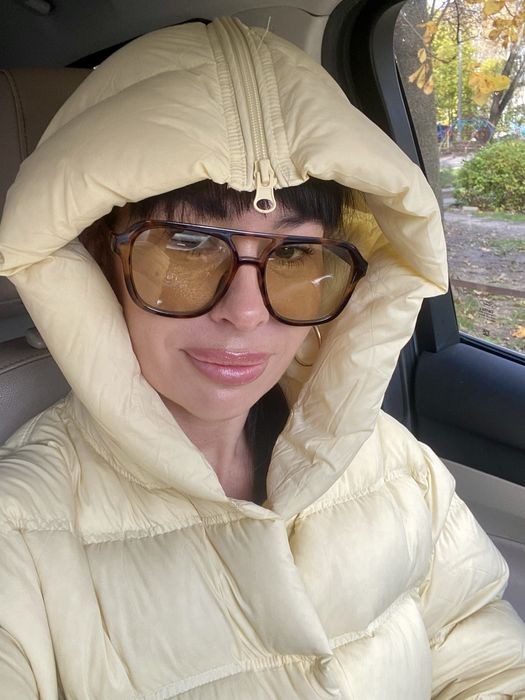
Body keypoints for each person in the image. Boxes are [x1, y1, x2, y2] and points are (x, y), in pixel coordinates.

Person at [0, 16, 523, 700]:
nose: (245, 313)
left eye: (296, 252)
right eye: (187, 245)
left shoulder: (392, 461)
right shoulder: (19, 528)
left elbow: (484, 660)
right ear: (100, 258)